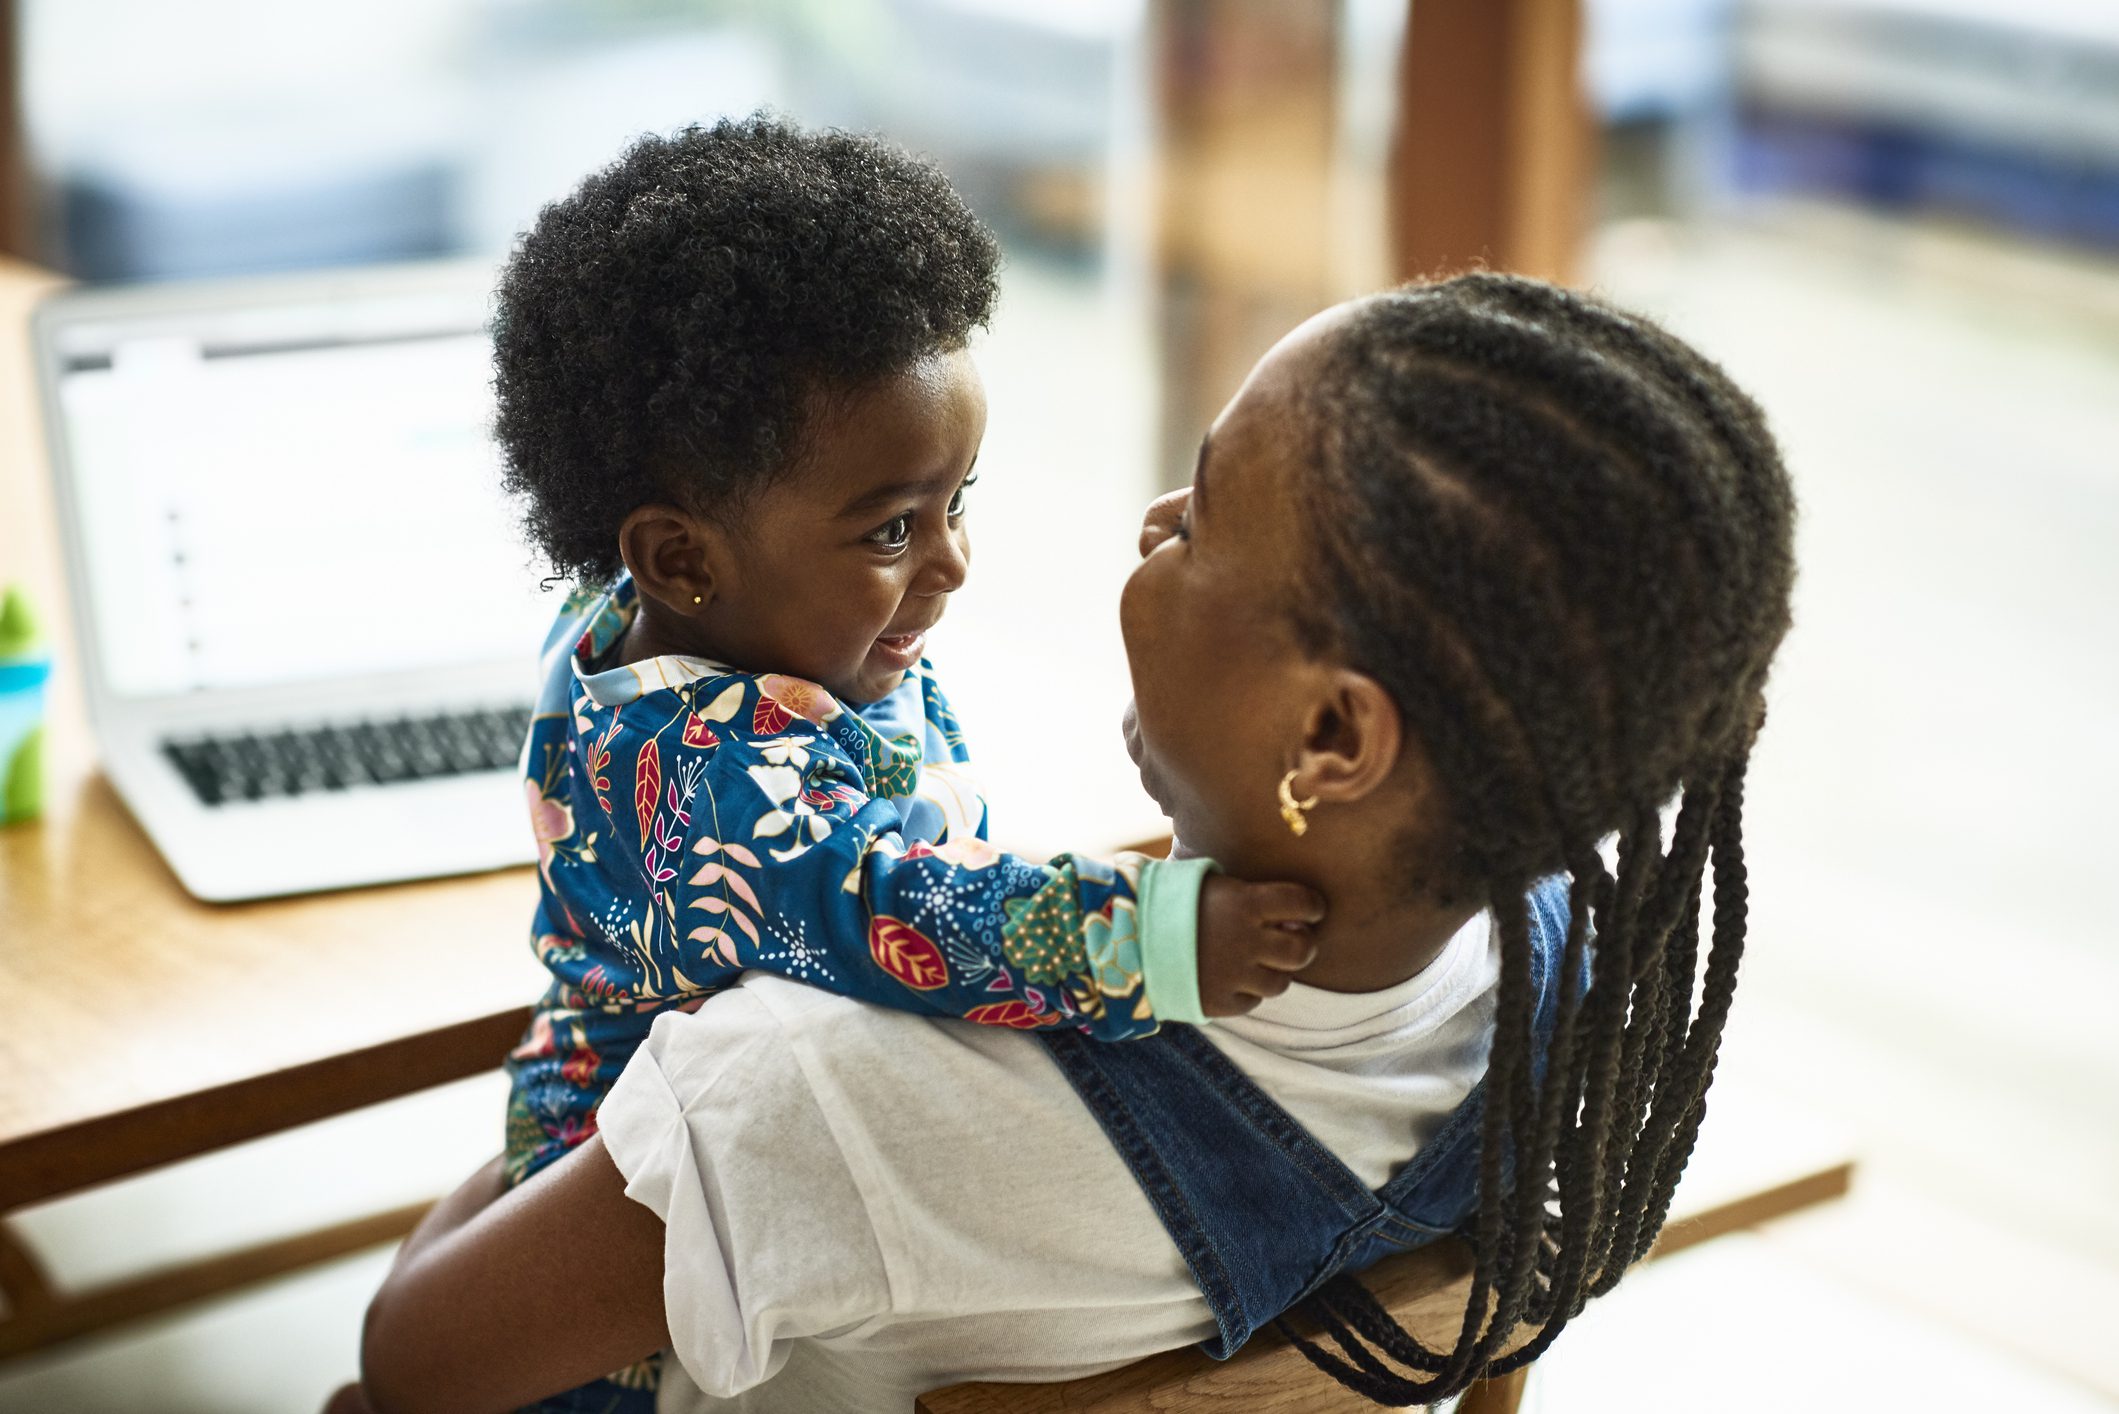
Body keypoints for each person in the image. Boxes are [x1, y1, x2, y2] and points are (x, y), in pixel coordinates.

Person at [338, 273, 1796, 1413]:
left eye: (1208, 514)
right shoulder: (1577, 978)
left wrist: (593, 1064)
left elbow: (417, 1361)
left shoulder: (797, 1090)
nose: (1157, 519)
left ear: (1333, 742)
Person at [490, 116, 1323, 1411]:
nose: (950, 562)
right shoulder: (710, 785)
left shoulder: (718, 617)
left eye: (959, 500)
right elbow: (895, 909)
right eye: (891, 525)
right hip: (622, 1193)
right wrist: (1154, 935)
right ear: (682, 557)